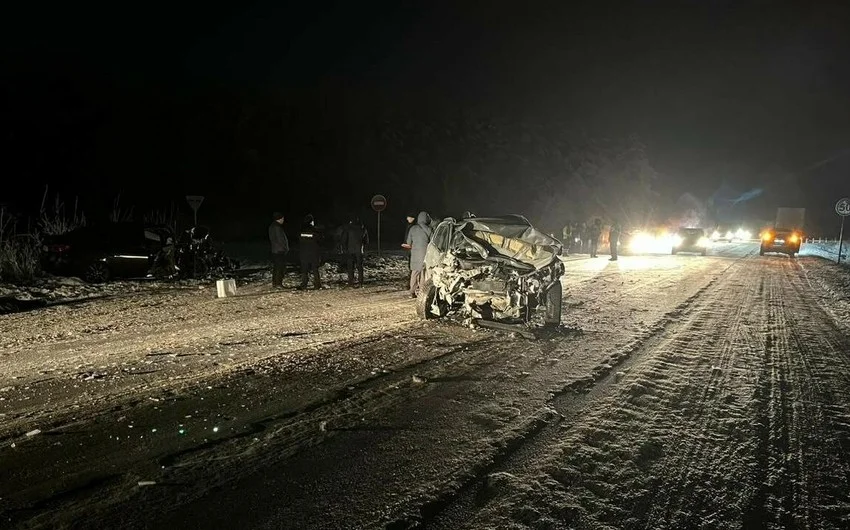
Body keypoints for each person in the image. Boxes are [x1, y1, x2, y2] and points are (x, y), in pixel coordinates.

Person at [406, 211, 433, 298]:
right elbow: (433, 242)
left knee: (414, 273)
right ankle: (422, 292)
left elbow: (408, 242)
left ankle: (412, 292)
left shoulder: (412, 229)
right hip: (425, 254)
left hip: (414, 254)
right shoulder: (429, 229)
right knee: (423, 274)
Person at [342, 215, 369, 286]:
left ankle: (351, 281)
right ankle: (360, 281)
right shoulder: (363, 229)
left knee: (350, 267)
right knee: (360, 267)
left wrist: (344, 248)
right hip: (359, 250)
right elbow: (366, 241)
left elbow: (344, 239)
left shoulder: (348, 229)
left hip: (350, 250)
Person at [298, 214, 322, 290]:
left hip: (303, 253)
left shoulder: (301, 230)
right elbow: (319, 240)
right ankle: (317, 284)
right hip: (313, 253)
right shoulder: (314, 230)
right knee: (315, 269)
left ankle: (304, 284)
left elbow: (298, 240)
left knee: (304, 270)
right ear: (311, 222)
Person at [269, 212, 289, 289]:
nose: (283, 220)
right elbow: (280, 239)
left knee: (277, 267)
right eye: (282, 218)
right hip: (279, 250)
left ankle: (275, 283)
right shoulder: (277, 227)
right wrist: (285, 248)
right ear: (279, 219)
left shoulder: (272, 226)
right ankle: (278, 283)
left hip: (275, 250)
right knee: (280, 268)